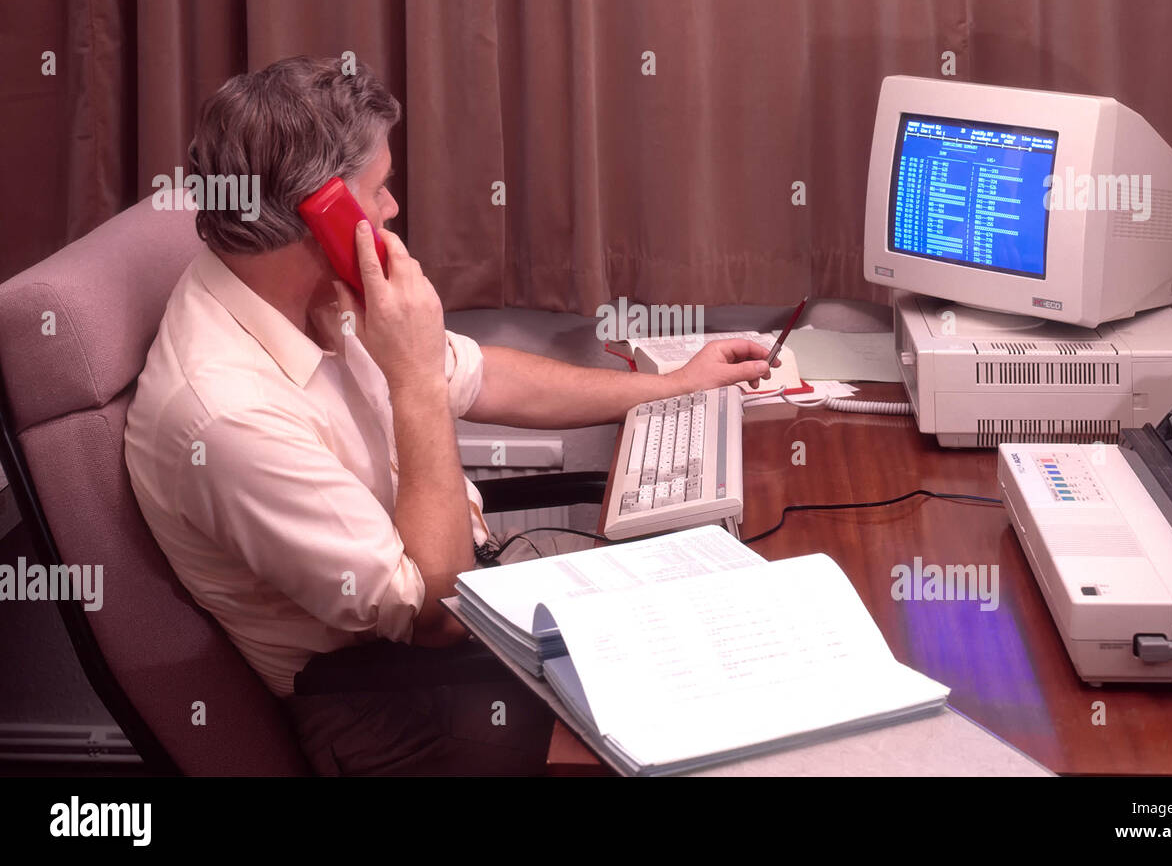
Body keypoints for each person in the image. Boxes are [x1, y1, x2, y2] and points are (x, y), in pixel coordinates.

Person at [123, 55, 774, 775]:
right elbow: (428, 616)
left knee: (732, 637)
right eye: (379, 189)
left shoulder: (299, 290)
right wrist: (412, 383)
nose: (393, 208)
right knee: (715, 739)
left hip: (463, 633)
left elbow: (481, 373)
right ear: (325, 212)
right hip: (391, 708)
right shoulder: (223, 417)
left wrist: (667, 388)